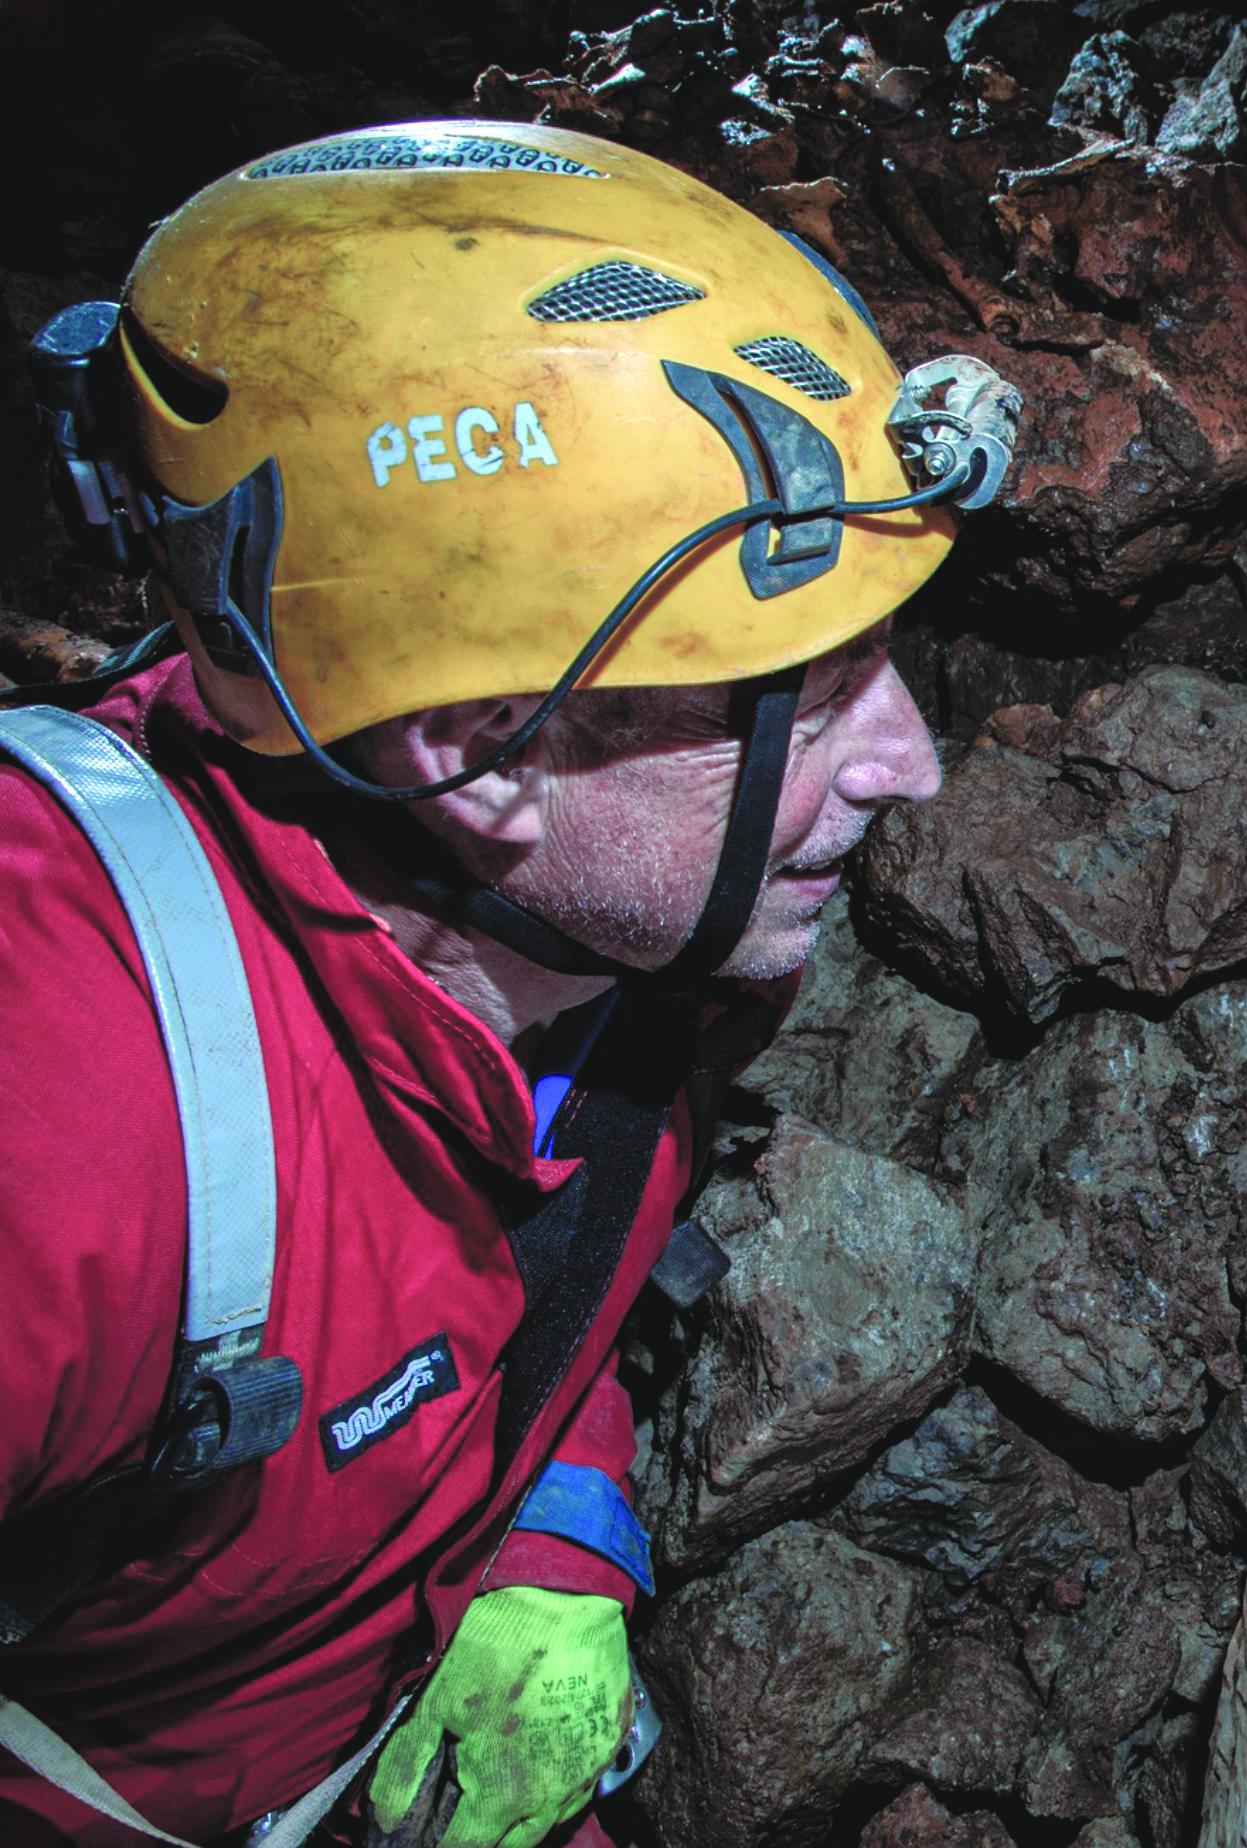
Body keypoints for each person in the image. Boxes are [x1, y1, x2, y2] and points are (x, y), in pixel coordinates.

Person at [0, 119, 1016, 1846]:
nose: (911, 765)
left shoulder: (626, 934)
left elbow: (509, 1279)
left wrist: (558, 1529)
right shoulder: (63, 1122)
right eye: (809, 689)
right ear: (481, 751)